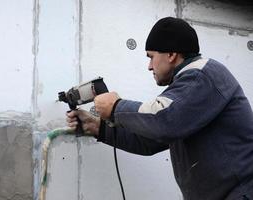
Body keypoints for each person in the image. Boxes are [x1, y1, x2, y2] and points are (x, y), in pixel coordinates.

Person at [66, 17, 253, 200]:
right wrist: (98, 127)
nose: (149, 66)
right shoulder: (185, 90)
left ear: (171, 55)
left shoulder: (202, 75)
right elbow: (150, 140)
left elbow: (164, 120)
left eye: (151, 57)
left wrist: (115, 106)